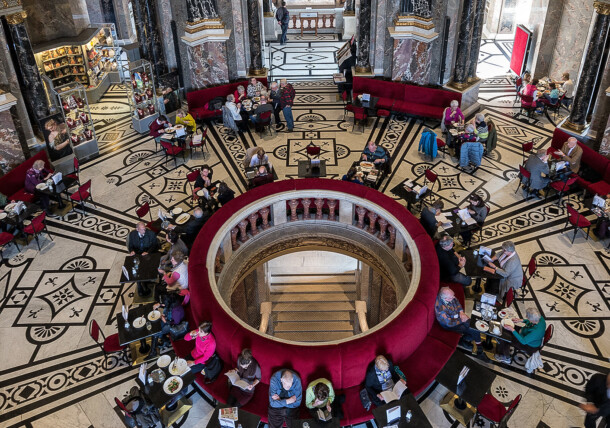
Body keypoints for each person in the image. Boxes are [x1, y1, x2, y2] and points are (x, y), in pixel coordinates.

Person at [435, 287, 483, 353]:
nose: (454, 297)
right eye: (452, 297)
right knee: (472, 329)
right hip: (450, 324)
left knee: (472, 326)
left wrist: (461, 312)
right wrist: (462, 320)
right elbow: (448, 323)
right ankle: (477, 346)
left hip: (456, 316)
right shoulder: (441, 309)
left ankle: (467, 339)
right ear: (446, 299)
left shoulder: (450, 297)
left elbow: (456, 301)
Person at [148, 292, 185, 358]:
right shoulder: (173, 301)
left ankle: (153, 351)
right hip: (169, 318)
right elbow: (166, 305)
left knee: (157, 332)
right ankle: (164, 340)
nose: (163, 303)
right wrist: (159, 305)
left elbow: (176, 323)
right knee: (157, 328)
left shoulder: (176, 311)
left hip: (173, 325)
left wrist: (165, 320)